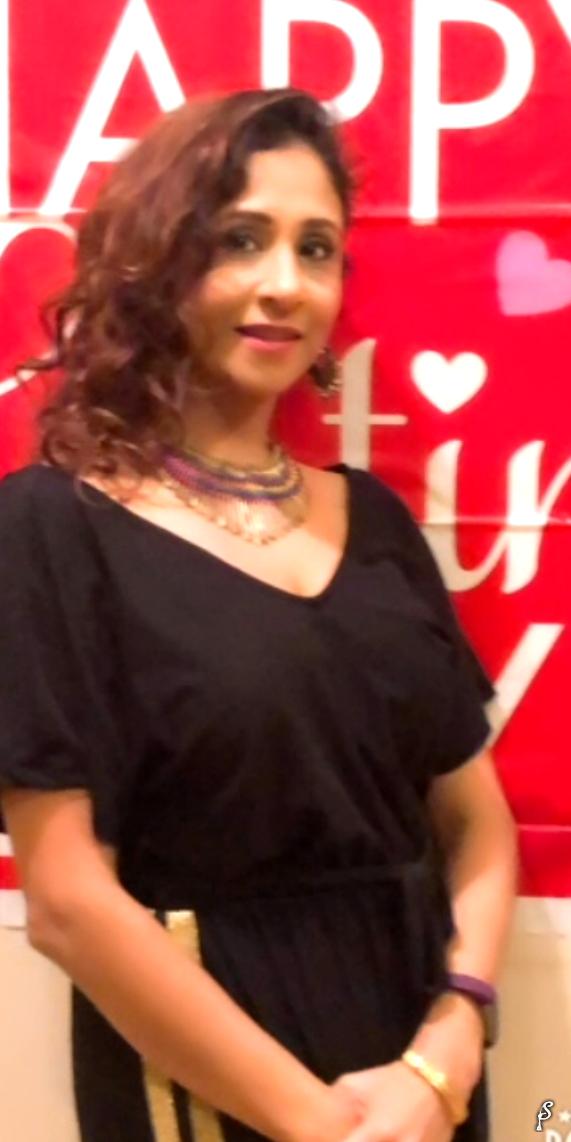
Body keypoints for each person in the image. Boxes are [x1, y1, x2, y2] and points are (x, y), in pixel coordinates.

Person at [0, 88, 517, 1142]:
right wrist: (323, 1126)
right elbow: (66, 899)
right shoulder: (51, 526)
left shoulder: (375, 521)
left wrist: (452, 1041)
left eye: (315, 248)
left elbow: (478, 824)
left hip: (423, 1077)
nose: (285, 282)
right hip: (212, 1089)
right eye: (240, 238)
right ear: (157, 259)